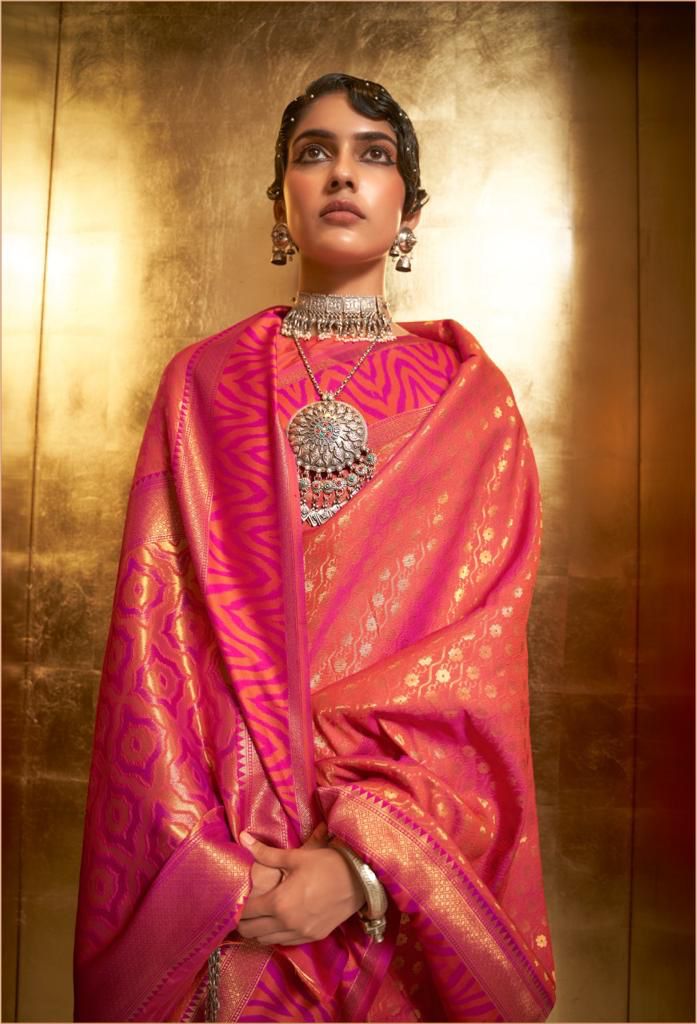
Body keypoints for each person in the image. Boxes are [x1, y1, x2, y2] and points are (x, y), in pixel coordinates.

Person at [73, 72, 556, 1023]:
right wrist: (218, 863)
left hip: (392, 877)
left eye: (373, 155)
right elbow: (154, 641)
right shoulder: (203, 383)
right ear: (279, 202)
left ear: (408, 211)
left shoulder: (470, 402)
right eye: (313, 153)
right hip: (228, 852)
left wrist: (362, 866)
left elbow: (477, 663)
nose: (342, 173)